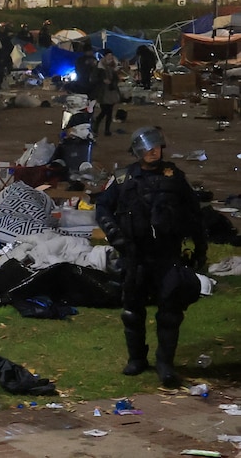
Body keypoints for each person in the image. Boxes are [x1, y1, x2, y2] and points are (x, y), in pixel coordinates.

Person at [95, 127, 207, 388]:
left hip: (167, 254)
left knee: (170, 311)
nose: (153, 152)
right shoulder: (123, 178)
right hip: (135, 254)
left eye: (156, 147)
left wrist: (200, 248)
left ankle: (165, 363)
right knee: (132, 310)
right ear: (137, 151)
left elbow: (194, 213)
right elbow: (102, 208)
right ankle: (137, 359)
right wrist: (115, 235)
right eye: (147, 148)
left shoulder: (174, 177)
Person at [92, 49, 121, 137]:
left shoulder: (113, 67)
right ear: (104, 57)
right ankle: (98, 126)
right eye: (108, 55)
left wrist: (113, 81)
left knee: (109, 111)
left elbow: (116, 79)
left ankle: (106, 129)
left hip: (111, 91)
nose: (110, 57)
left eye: (111, 55)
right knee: (105, 110)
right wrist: (103, 80)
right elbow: (94, 78)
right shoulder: (99, 67)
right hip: (103, 92)